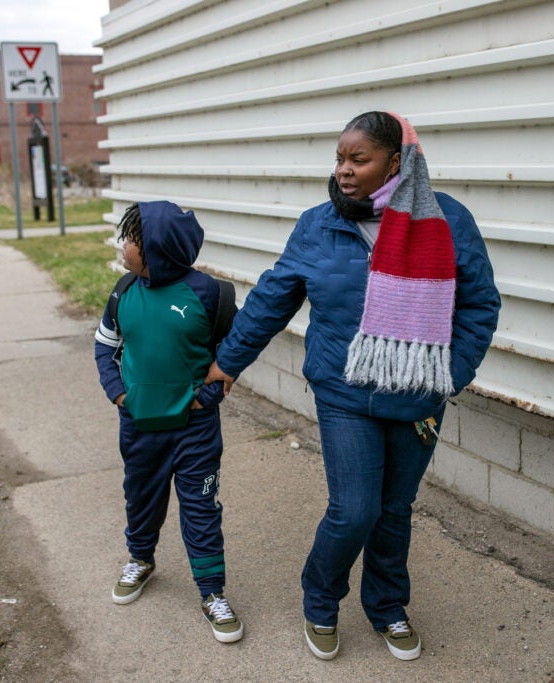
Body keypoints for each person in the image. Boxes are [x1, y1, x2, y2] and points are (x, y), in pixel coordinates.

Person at [206, 111, 500, 660]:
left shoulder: (448, 220)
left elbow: (480, 304)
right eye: (339, 158)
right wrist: (229, 362)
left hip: (418, 395)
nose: (343, 170)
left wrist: (450, 373)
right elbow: (273, 298)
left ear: (396, 161)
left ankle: (387, 607)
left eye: (357, 159)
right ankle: (320, 598)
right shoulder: (319, 224)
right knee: (355, 510)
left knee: (394, 509)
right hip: (344, 394)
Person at [95, 201, 242, 643]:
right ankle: (141, 558)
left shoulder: (210, 295)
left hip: (195, 430)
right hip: (140, 427)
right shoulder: (123, 291)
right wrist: (120, 394)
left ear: (159, 247)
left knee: (200, 508)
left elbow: (231, 355)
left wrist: (208, 395)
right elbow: (104, 348)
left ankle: (212, 592)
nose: (124, 245)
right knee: (141, 497)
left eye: (133, 237)